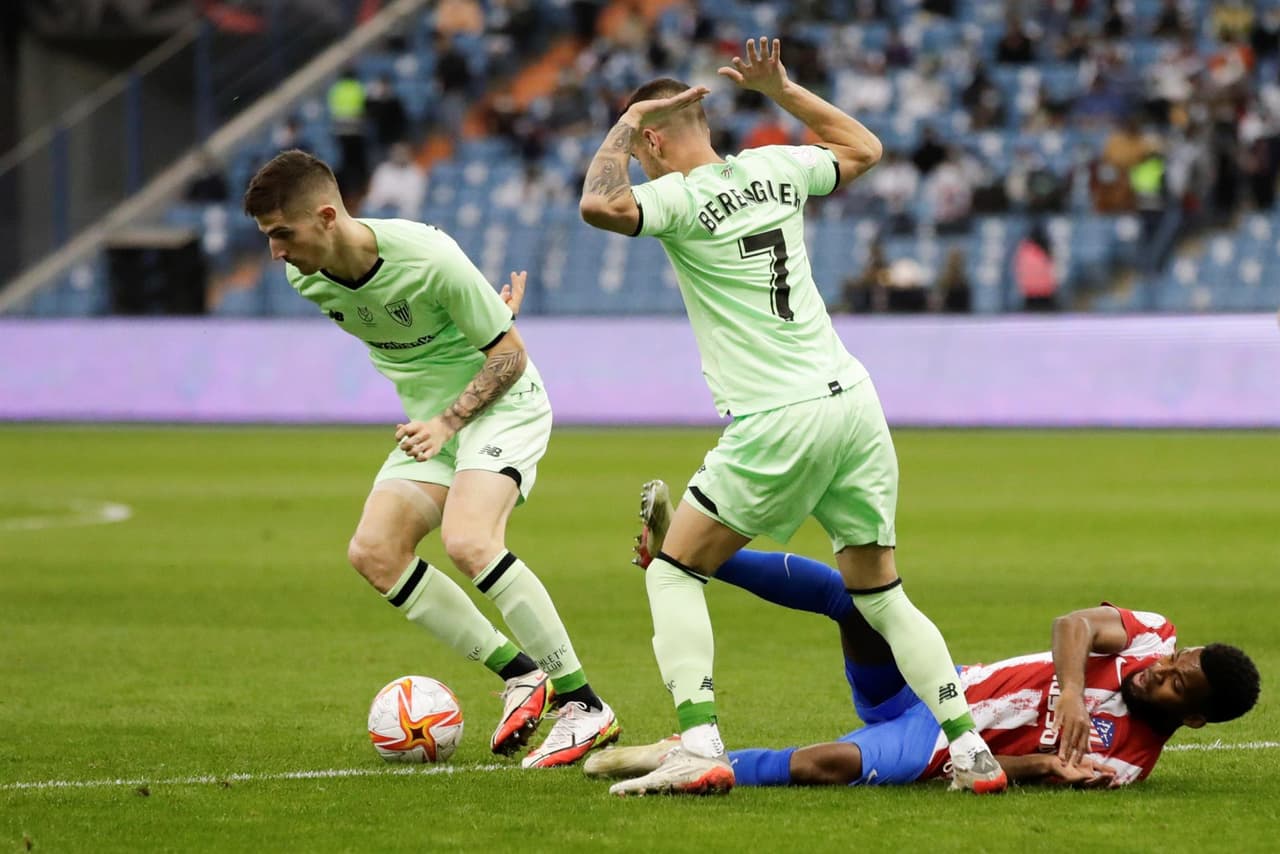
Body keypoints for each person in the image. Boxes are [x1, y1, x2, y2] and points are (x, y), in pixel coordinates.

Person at [578, 37, 1007, 797]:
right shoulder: (777, 167)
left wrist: (625, 119)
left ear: (651, 137)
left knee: (675, 569)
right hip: (854, 403)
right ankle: (970, 749)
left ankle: (699, 740)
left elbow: (599, 204)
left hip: (778, 415)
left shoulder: (676, 198)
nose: (640, 161)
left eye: (640, 144)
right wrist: (780, 88)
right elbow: (864, 147)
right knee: (881, 593)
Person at [242, 150, 618, 768]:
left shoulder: (428, 257)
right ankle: (522, 675)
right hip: (432, 425)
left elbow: (509, 357)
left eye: (283, 234)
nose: (276, 254)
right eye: (267, 238)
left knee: (470, 540)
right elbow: (423, 335)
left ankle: (585, 706)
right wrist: (479, 327)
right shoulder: (306, 279)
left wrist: (458, 401)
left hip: (502, 406)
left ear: (328, 215)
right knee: (374, 552)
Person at [599, 494, 1260, 789]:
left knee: (826, 767)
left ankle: (685, 757)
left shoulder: (1129, 764)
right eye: (1178, 660)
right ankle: (684, 553)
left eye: (1177, 682)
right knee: (851, 597)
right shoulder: (1151, 636)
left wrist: (1040, 767)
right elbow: (1074, 625)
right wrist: (1073, 695)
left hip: (947, 739)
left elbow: (1038, 772)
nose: (1160, 671)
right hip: (939, 685)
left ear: (1193, 717)